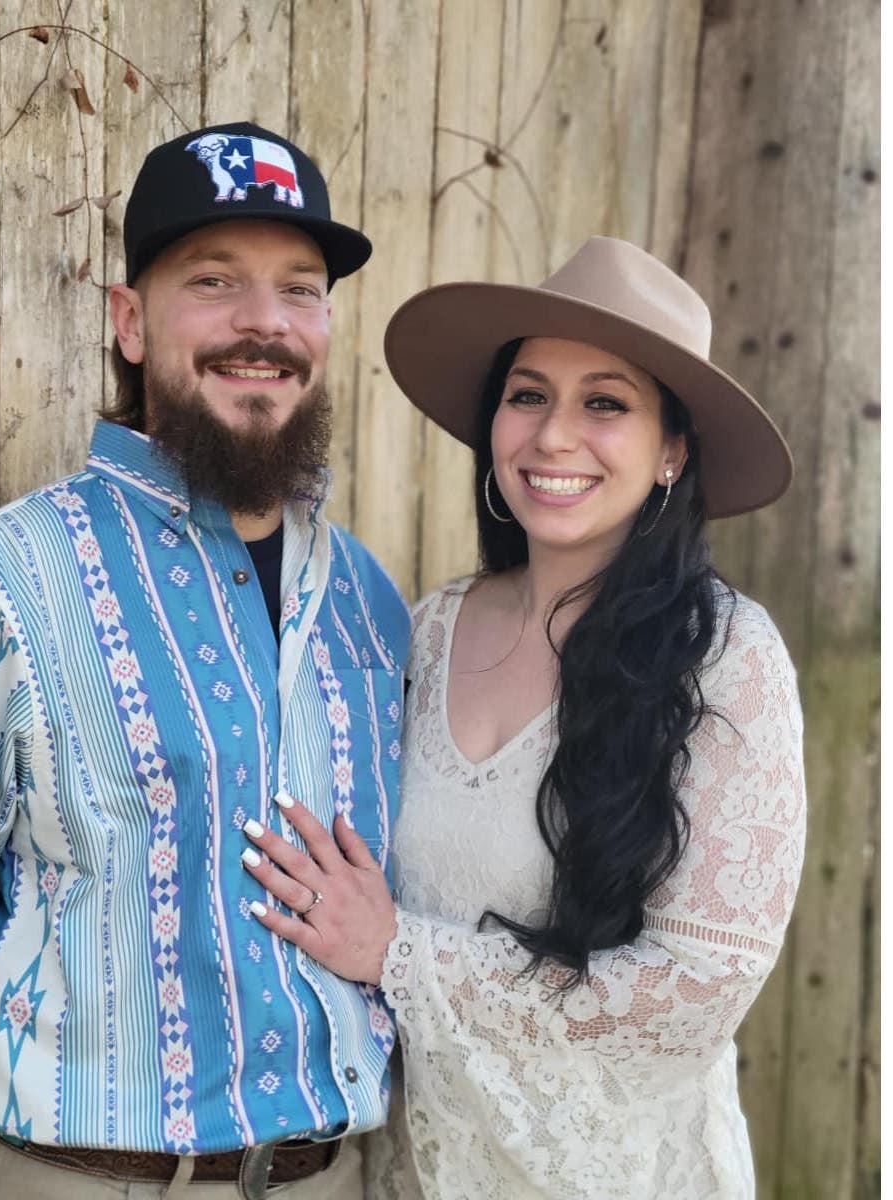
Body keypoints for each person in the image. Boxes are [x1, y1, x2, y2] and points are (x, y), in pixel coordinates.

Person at [238, 236, 807, 1198]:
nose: (553, 437)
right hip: (425, 1173)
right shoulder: (427, 631)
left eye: (606, 404)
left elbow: (695, 993)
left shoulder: (724, 660)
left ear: (673, 451)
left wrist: (398, 954)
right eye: (529, 394)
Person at [0, 122, 409, 1200]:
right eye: (214, 281)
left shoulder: (370, 601)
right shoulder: (6, 579)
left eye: (299, 289)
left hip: (332, 1178)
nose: (265, 322)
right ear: (131, 321)